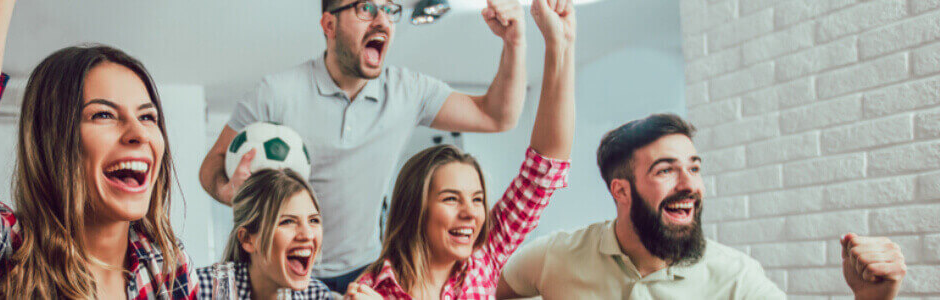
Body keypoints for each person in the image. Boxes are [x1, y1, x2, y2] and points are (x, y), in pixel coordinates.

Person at [199, 0, 533, 290]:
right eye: (366, 8)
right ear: (329, 24)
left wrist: (515, 42)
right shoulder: (275, 94)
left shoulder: (409, 91)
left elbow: (497, 117)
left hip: (365, 271)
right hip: (285, 269)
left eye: (390, 10)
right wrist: (228, 191)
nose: (383, 20)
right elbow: (211, 166)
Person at [0, 0, 195, 298]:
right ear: (53, 142)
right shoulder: (4, 261)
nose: (139, 133)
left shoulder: (168, 271)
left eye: (147, 116)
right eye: (103, 114)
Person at [494, 115, 910, 299]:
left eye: (694, 168)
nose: (689, 184)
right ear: (621, 191)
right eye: (666, 171)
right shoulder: (555, 256)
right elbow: (479, 291)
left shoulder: (735, 276)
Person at [351, 0, 577, 297]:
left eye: (477, 199)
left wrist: (560, 45)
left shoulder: (484, 258)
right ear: (415, 210)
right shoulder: (372, 290)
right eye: (451, 199)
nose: (471, 213)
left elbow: (544, 171)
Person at [194, 169, 380, 299]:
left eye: (313, 220)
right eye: (287, 221)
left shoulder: (316, 295)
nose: (307, 234)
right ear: (247, 239)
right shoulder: (201, 288)